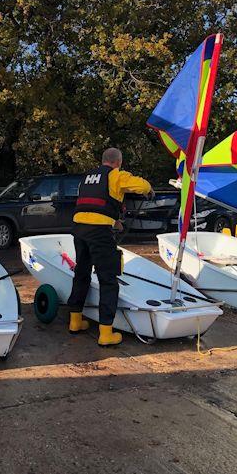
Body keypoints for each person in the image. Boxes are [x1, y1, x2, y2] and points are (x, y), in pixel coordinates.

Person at [67, 147, 154, 346]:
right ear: (118, 162)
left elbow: (93, 205)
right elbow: (142, 185)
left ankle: (75, 321)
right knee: (108, 279)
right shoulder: (116, 175)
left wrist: (115, 222)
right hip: (99, 234)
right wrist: (149, 189)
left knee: (81, 273)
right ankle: (106, 333)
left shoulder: (87, 177)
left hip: (79, 229)